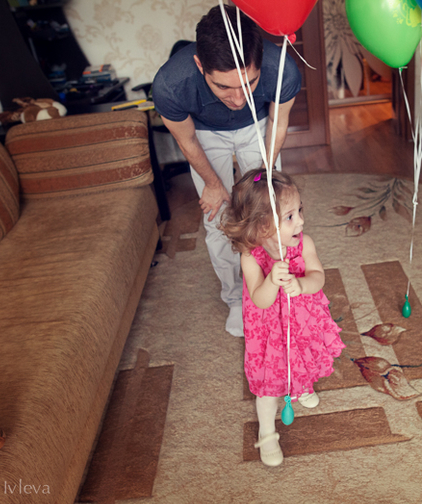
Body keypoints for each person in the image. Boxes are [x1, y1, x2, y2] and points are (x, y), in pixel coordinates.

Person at [152, 5, 302, 337]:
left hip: (258, 125)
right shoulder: (170, 84)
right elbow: (187, 139)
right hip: (205, 133)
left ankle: (275, 286)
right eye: (223, 87)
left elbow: (278, 122)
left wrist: (264, 180)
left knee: (268, 211)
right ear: (199, 66)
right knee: (219, 219)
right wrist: (212, 183)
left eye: (249, 83)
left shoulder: (282, 69)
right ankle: (235, 297)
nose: (238, 98)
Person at [220, 170, 345, 466]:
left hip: (302, 321)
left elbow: (318, 276)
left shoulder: (305, 243)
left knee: (304, 355)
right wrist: (272, 281)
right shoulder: (250, 257)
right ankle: (266, 432)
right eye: (290, 216)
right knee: (270, 382)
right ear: (262, 225)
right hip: (269, 332)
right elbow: (260, 300)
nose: (300, 221)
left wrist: (302, 284)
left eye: (300, 210)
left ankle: (302, 387)